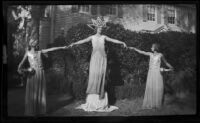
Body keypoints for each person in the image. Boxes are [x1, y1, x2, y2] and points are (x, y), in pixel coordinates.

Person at [68, 17, 127, 112]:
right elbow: (82, 41)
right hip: (95, 58)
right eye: (99, 28)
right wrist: (73, 43)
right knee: (94, 75)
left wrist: (122, 42)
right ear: (96, 29)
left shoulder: (104, 37)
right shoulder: (92, 37)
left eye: (101, 28)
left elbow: (113, 40)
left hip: (103, 59)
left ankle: (101, 92)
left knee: (101, 75)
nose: (100, 29)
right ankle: (94, 93)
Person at [17, 36, 67, 116]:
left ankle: (40, 110)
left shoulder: (40, 52)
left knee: (40, 91)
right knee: (33, 92)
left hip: (41, 73)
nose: (35, 43)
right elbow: (19, 67)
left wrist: (62, 47)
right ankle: (32, 111)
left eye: (36, 42)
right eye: (33, 42)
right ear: (31, 44)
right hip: (32, 75)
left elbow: (52, 49)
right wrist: (27, 70)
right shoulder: (27, 53)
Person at [129, 43, 174, 109]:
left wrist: (171, 67)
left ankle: (157, 104)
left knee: (158, 87)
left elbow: (166, 62)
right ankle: (151, 103)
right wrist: (134, 48)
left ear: (155, 48)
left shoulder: (160, 55)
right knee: (151, 87)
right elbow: (142, 52)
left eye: (152, 47)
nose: (151, 48)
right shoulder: (150, 54)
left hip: (157, 73)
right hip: (151, 73)